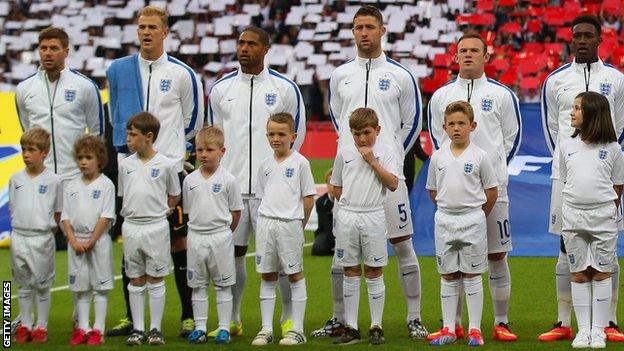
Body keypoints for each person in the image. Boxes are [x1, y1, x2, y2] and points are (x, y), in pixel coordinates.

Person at [316, 5, 427, 339]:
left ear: (382, 30)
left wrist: (389, 154)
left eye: (369, 26)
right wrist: (349, 154)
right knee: (342, 251)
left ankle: (414, 316)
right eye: (357, 27)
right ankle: (340, 318)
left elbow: (412, 123)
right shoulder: (340, 75)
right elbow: (340, 121)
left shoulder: (401, 75)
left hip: (388, 178)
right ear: (353, 32)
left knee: (403, 244)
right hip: (351, 181)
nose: (363, 33)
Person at [106, 5, 204, 337]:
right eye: (141, 27)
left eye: (152, 27)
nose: (146, 32)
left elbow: (193, 122)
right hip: (130, 170)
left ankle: (187, 315)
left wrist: (170, 158)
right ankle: (131, 319)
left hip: (170, 171)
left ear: (165, 32)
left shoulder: (182, 73)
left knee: (178, 243)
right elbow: (116, 116)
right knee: (130, 236)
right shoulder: (120, 70)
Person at [209, 25, 306, 337]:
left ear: (266, 49)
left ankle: (288, 318)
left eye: (251, 44)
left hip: (272, 191)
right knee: (233, 254)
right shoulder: (221, 89)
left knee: (279, 259)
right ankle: (234, 319)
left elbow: (297, 135)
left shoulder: (284, 88)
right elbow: (216, 138)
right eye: (240, 43)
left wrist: (282, 176)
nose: (244, 48)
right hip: (234, 189)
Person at [428, 32, 521, 342]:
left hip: (494, 191)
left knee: (497, 256)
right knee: (453, 264)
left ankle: (501, 322)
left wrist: (489, 174)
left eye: (474, 50)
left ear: (486, 56)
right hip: (455, 197)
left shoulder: (502, 95)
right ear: (455, 57)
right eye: (462, 50)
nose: (468, 55)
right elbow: (437, 141)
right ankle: (452, 325)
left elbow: (511, 139)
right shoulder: (441, 96)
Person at [540, 14, 624, 342]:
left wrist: (603, 161)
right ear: (571, 40)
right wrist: (568, 163)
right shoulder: (556, 81)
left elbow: (619, 126)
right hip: (567, 177)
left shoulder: (617, 80)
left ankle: (610, 322)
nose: (583, 41)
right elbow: (552, 130)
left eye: (589, 35)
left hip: (604, 176)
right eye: (578, 36)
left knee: (607, 249)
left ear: (600, 40)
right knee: (566, 249)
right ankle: (564, 322)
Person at [426, 101, 498, 347]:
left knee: (472, 273)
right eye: (452, 124)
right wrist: (448, 208)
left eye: (461, 123)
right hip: (445, 219)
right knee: (447, 275)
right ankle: (449, 328)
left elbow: (491, 191)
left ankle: (474, 330)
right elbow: (433, 190)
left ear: (472, 125)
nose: (456, 128)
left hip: (473, 219)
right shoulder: (437, 157)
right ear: (444, 127)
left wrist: (476, 213)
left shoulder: (481, 157)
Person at [559, 92, 624, 348]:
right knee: (578, 273)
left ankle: (599, 330)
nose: (571, 112)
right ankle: (583, 330)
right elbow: (566, 180)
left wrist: (601, 207)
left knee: (601, 272)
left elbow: (617, 185)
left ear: (594, 113)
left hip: (603, 217)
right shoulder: (566, 146)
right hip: (573, 216)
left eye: (577, 108)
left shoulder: (612, 148)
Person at [331, 108, 400, 345]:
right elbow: (336, 185)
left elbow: (392, 184)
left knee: (373, 270)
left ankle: (376, 325)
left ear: (377, 130)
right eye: (357, 133)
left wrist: (372, 161)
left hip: (373, 215)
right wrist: (348, 207)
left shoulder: (386, 152)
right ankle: (351, 326)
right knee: (349, 270)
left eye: (367, 132)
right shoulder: (345, 152)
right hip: (349, 215)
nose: (362, 139)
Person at [251, 113, 315, 346]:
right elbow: (261, 197)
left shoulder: (300, 163)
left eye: (281, 134)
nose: (276, 139)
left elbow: (309, 198)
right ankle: (266, 328)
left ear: (293, 136)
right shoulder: (265, 165)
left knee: (295, 275)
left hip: (290, 224)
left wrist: (300, 224)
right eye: (271, 134)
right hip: (267, 223)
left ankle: (297, 329)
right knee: (267, 274)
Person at [117, 112, 181, 346]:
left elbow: (174, 194)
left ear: (149, 136)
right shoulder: (125, 165)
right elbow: (124, 195)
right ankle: (138, 329)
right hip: (132, 226)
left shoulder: (165, 165)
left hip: (155, 227)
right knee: (135, 278)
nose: (128, 139)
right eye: (128, 134)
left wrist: (163, 210)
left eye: (133, 135)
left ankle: (155, 328)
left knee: (155, 277)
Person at [15, 27, 104, 182]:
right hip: (40, 177)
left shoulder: (86, 86)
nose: (48, 53)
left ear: (66, 52)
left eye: (54, 48)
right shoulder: (24, 88)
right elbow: (28, 131)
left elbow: (97, 134)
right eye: (43, 48)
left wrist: (88, 170)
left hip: (76, 176)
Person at [183, 126, 243, 345]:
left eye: (209, 150)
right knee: (198, 285)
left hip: (220, 237)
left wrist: (226, 232)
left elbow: (236, 212)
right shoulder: (189, 180)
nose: (204, 154)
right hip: (196, 237)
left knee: (223, 284)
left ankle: (224, 328)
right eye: (199, 150)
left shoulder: (229, 180)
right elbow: (189, 210)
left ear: (222, 151)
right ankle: (199, 327)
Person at [61, 136, 115, 346]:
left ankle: (98, 329)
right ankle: (82, 327)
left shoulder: (106, 185)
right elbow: (65, 216)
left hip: (98, 242)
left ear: (99, 159)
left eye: (88, 157)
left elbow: (106, 216)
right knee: (80, 287)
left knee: (100, 286)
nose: (83, 161)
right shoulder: (71, 185)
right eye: (80, 157)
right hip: (76, 243)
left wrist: (92, 240)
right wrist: (73, 240)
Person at [10, 127, 62, 344]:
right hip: (19, 237)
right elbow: (14, 207)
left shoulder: (54, 181)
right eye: (23, 149)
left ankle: (41, 326)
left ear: (44, 152)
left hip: (42, 238)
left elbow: (58, 212)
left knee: (41, 284)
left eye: (31, 150)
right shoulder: (15, 179)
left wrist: (47, 229)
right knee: (23, 284)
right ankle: (25, 325)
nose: (26, 154)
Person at [312, 168, 336, 256]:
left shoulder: (347, 201)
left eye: (336, 183)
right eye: (330, 183)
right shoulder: (321, 202)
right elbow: (326, 225)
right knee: (318, 249)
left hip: (345, 232)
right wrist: (335, 242)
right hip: (327, 232)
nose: (333, 187)